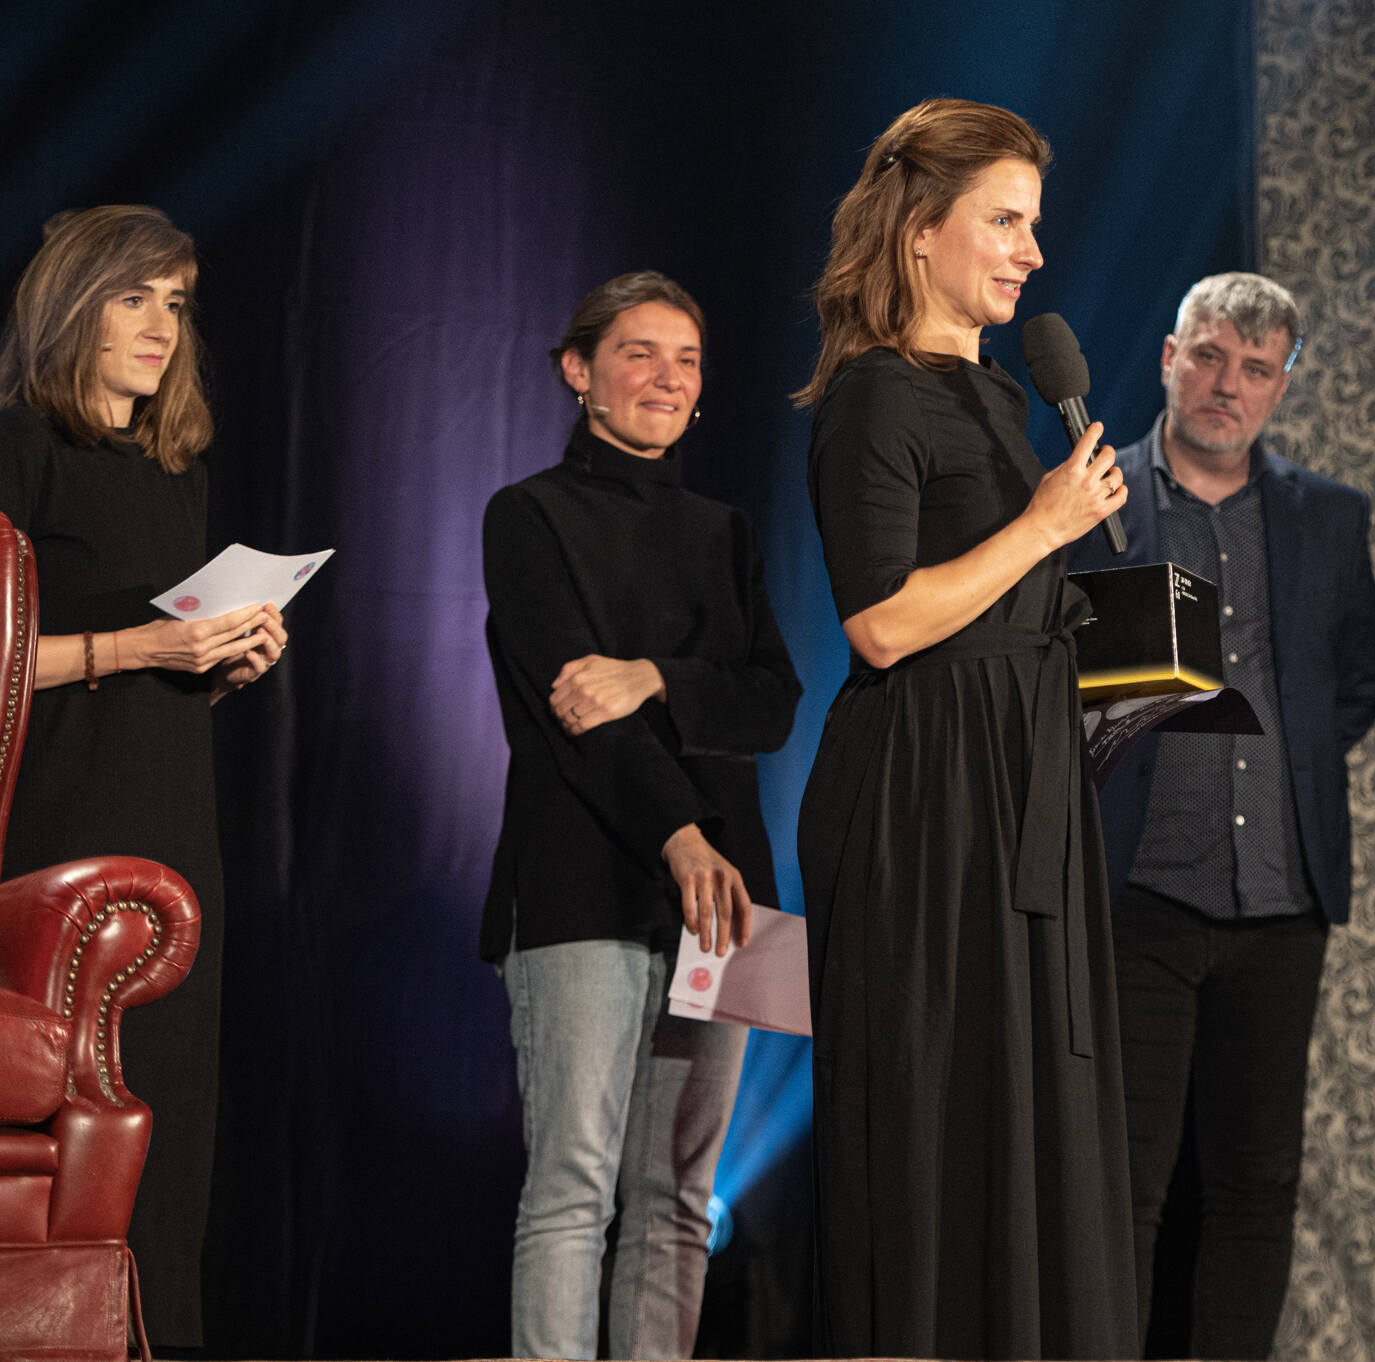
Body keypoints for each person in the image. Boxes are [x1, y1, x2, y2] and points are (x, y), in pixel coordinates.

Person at [794, 98, 1138, 1359]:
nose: (1030, 253)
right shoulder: (871, 399)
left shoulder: (1003, 397)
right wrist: (1043, 527)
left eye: (1032, 226)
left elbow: (1009, 603)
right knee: (935, 1109)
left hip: (1018, 775)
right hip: (923, 793)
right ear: (919, 230)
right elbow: (881, 624)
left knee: (1030, 1102)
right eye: (1003, 222)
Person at [480, 271, 800, 1360]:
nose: (667, 378)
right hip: (583, 880)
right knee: (574, 1184)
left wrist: (657, 675)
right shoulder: (527, 516)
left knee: (679, 1196)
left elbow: (773, 702)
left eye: (687, 360)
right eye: (639, 353)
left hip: (723, 898)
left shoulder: (723, 531)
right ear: (579, 371)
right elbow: (574, 713)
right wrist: (678, 834)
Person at [1067, 271, 1375, 1358]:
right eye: (1208, 356)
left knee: (1256, 1183)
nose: (1226, 384)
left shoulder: (1329, 516)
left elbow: (1355, 683)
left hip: (1281, 903)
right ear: (1169, 357)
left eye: (1255, 368)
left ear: (1281, 385)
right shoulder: (1093, 502)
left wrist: (1280, 764)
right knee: (1125, 1179)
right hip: (1138, 892)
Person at [0, 204, 287, 1348]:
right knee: (75, 1108)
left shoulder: (176, 474)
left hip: (169, 840)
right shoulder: (20, 446)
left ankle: (155, 1336)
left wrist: (217, 665)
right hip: (57, 836)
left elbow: (144, 670)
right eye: (133, 298)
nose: (162, 325)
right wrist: (139, 647)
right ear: (73, 306)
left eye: (176, 302)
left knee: (167, 1112)